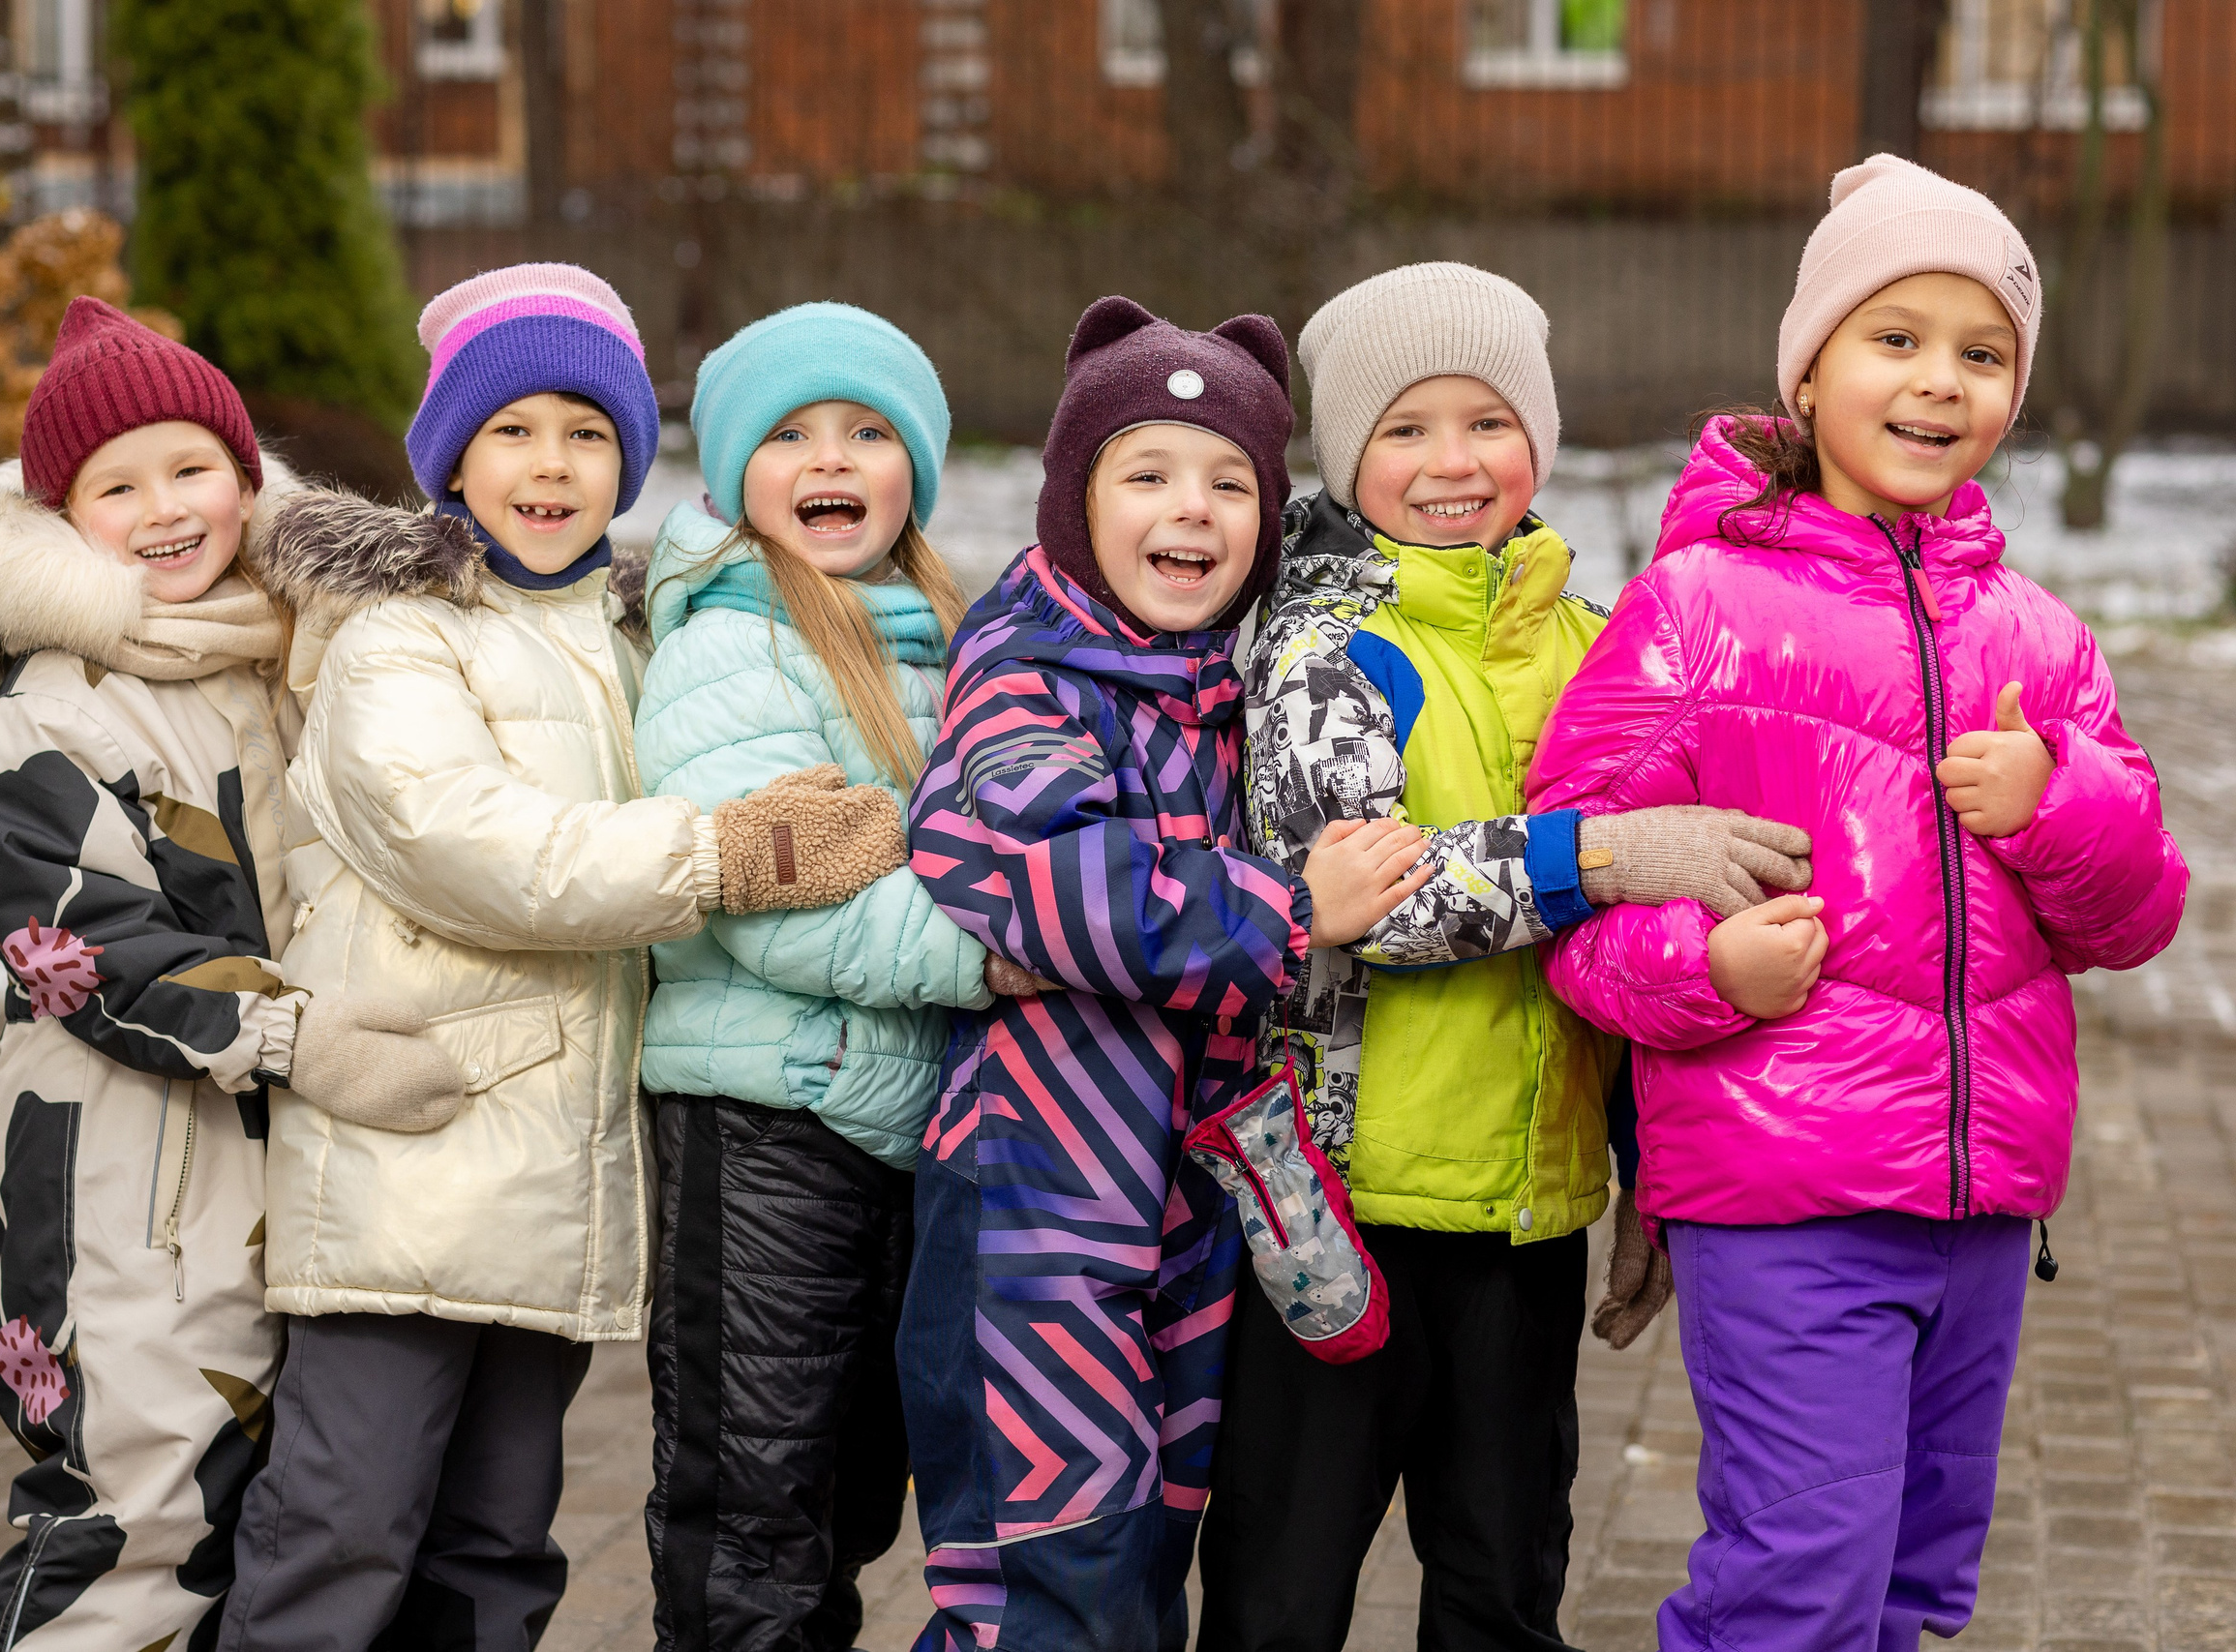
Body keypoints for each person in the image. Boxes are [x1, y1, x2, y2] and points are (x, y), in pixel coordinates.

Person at [1529, 155, 2188, 1650]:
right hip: (1787, 1195)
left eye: (1983, 352)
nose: (1938, 383)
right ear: (1810, 362)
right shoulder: (1696, 609)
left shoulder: (2042, 637)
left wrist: (2058, 802)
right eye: (1895, 338)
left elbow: (2134, 914)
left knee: (1909, 1584)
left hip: (1983, 1202)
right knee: (1800, 1578)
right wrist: (1712, 971)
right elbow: (1570, 894)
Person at [221, 264, 910, 1650]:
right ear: (452, 460)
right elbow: (468, 844)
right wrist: (725, 857)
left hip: (551, 1185)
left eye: (588, 433)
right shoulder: (399, 634)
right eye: (514, 429)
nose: (553, 464)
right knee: (343, 1531)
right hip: (406, 1160)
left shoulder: (626, 636)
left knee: (493, 1548)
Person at [1199, 262, 1813, 1650]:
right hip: (1341, 1220)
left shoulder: (1600, 650)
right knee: (1281, 1598)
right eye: (1405, 430)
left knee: (1506, 1584)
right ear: (1349, 455)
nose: (1451, 463)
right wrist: (1593, 853)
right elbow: (1375, 901)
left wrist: (1653, 1173)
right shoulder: (1326, 647)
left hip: (1530, 1220)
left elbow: (1651, 949)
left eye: (1488, 422)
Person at [900, 296, 1435, 1652]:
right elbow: (1049, 877)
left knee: (1142, 1571)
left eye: (1229, 481)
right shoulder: (1024, 673)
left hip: (1179, 1214)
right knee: (1045, 1583)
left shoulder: (1214, 683)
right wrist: (1290, 906)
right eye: (1147, 473)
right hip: (1036, 1212)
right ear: (1078, 502)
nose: (1190, 509)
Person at [0, 296, 394, 1648]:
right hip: (124, 1185)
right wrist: (299, 1034)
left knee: (278, 1524)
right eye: (114, 485)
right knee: (134, 1528)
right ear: (57, 520)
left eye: (192, 468)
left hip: (295, 1169)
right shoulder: (45, 716)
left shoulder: (294, 657)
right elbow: (89, 950)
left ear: (250, 484)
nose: (164, 508)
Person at [632, 301, 1002, 1652]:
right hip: (767, 1124)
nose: (829, 457)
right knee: (752, 1521)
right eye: (789, 434)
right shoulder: (727, 645)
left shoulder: (951, 636)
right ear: (736, 473)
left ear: (917, 467)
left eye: (866, 431)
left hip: (901, 1131)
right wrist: (1010, 959)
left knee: (847, 1509)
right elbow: (781, 916)